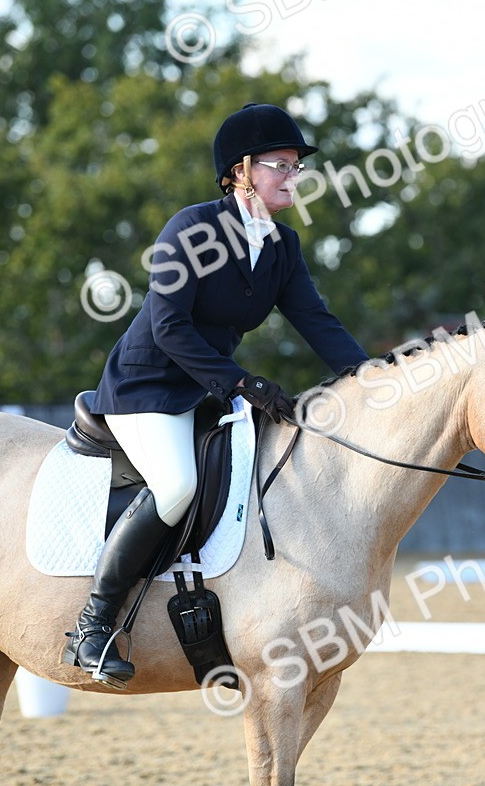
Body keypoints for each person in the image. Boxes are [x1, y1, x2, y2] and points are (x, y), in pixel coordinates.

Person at [61, 103, 368, 687]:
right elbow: (169, 327)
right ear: (242, 170)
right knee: (177, 483)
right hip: (148, 387)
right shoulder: (192, 229)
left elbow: (318, 322)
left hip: (209, 392)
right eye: (281, 165)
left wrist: (378, 375)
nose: (293, 177)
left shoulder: (283, 246)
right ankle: (94, 625)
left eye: (296, 167)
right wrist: (242, 383)